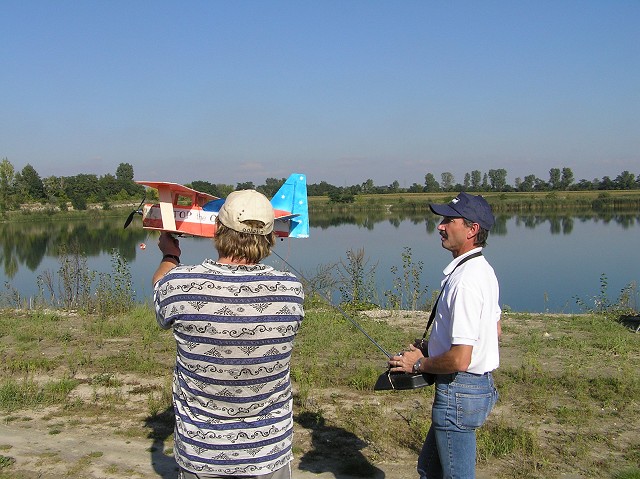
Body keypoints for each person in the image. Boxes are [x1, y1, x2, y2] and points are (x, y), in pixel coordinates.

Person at [152, 189, 305, 479]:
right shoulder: (291, 289)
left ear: (217, 230)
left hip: (202, 451)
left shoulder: (180, 284)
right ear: (270, 237)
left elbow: (160, 286)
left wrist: (170, 254)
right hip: (269, 451)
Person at [388, 192, 501, 479]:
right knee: (429, 469)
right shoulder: (482, 270)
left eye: (449, 220)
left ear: (472, 229)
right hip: (475, 389)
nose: (440, 226)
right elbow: (494, 330)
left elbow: (461, 359)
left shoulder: (465, 282)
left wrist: (417, 364)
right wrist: (432, 346)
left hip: (459, 391)